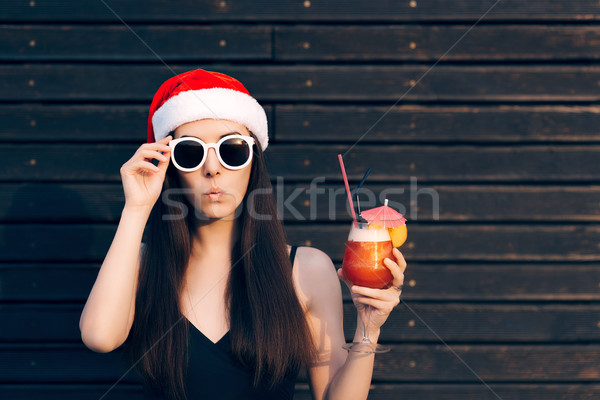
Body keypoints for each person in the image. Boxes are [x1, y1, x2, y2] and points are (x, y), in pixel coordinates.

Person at [79, 68, 407, 400]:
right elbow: (99, 336)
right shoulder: (140, 265)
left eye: (232, 150)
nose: (212, 168)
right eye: (190, 153)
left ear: (254, 163)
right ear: (170, 167)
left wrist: (368, 328)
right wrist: (137, 208)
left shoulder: (305, 270)